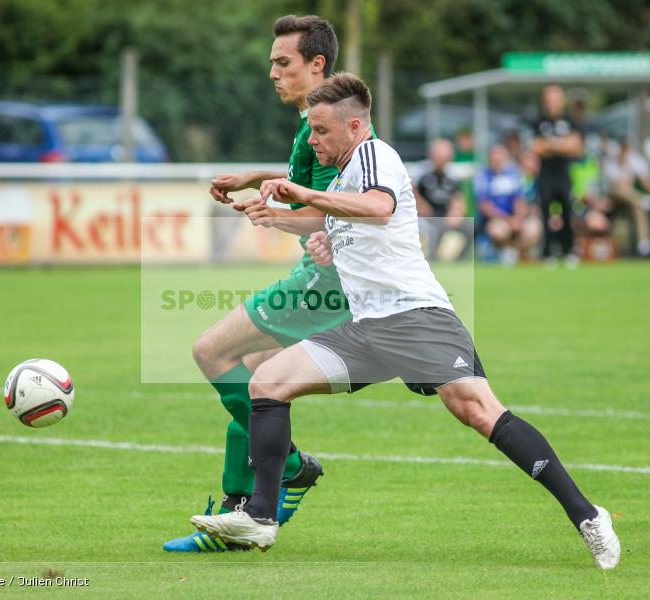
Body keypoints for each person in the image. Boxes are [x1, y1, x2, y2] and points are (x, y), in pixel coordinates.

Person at [191, 73, 621, 570]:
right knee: (268, 382)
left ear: (354, 125)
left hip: (416, 317)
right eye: (310, 131)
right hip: (365, 329)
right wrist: (272, 215)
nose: (313, 141)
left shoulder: (376, 156)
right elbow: (338, 220)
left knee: (477, 411)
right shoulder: (344, 173)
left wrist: (303, 197)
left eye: (322, 131)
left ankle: (588, 515)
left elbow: (378, 209)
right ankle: (260, 517)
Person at [163, 15, 348, 553]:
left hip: (329, 282)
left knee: (210, 351)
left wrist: (278, 214)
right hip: (320, 275)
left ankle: (289, 464)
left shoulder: (338, 123)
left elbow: (340, 211)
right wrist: (254, 179)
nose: (272, 72)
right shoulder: (314, 123)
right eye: (271, 62)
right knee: (252, 375)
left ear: (317, 65)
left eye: (282, 62)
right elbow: (311, 186)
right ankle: (237, 517)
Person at [532, 85, 583, 263]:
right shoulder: (538, 121)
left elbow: (575, 146)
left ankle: (568, 250)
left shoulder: (570, 121)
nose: (552, 104)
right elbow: (536, 147)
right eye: (548, 100)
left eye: (555, 99)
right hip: (545, 176)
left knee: (568, 211)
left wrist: (550, 145)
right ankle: (547, 252)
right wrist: (562, 144)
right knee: (545, 213)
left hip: (564, 175)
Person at [602, 138, 650, 257]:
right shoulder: (610, 161)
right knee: (633, 198)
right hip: (613, 196)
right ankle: (643, 201)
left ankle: (644, 247)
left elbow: (648, 182)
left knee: (638, 208)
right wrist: (625, 165)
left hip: (631, 198)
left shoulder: (635, 159)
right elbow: (619, 186)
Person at [475, 144, 541, 265]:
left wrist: (518, 218)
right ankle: (507, 253)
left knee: (534, 228)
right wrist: (507, 220)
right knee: (498, 230)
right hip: (496, 219)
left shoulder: (514, 174)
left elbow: (520, 200)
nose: (497, 159)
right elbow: (484, 205)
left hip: (514, 217)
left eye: (500, 156)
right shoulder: (483, 175)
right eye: (494, 156)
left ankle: (515, 253)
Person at [413, 138, 472, 260]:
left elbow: (458, 198)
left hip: (445, 217)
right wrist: (422, 206)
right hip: (425, 217)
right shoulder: (421, 172)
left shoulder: (453, 175)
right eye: (439, 156)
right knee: (430, 229)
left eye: (445, 157)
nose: (442, 160)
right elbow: (413, 193)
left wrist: (456, 212)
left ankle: (459, 260)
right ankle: (432, 260)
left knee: (469, 227)